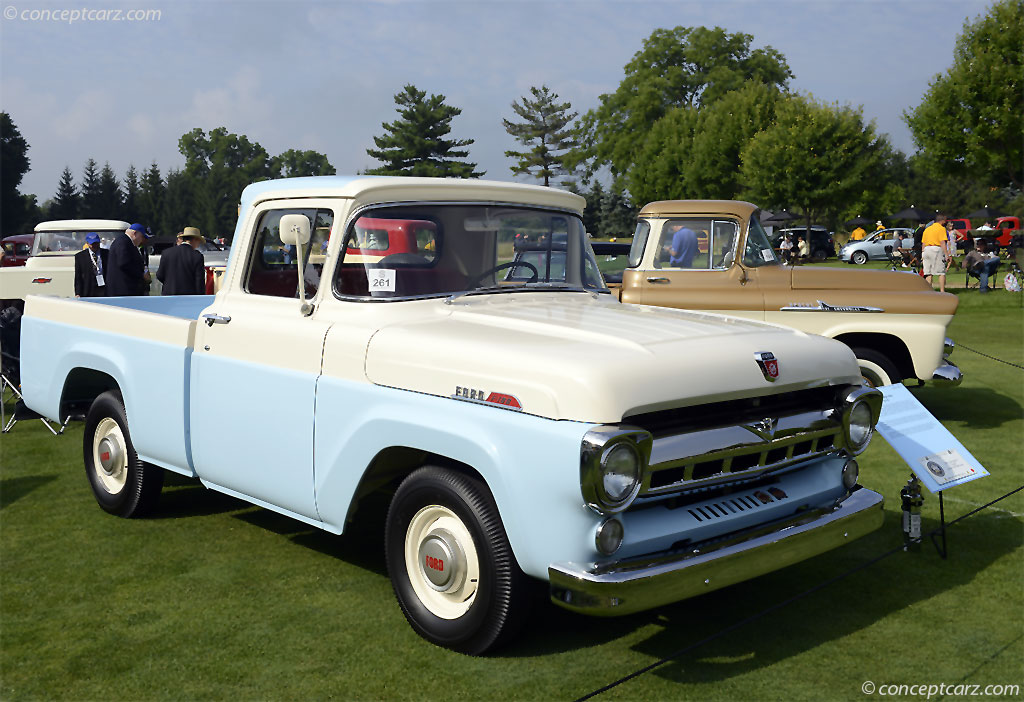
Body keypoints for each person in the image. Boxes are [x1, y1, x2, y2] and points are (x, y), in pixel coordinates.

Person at [157, 227, 206, 295]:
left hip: (168, 296)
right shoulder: (197, 256)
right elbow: (199, 282)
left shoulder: (166, 253)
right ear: (195, 239)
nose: (198, 244)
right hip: (188, 298)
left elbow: (159, 275)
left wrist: (170, 283)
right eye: (199, 241)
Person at [106, 223, 152, 296]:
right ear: (135, 233)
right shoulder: (123, 242)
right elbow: (123, 263)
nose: (141, 240)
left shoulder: (125, 242)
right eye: (141, 236)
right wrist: (142, 274)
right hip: (122, 289)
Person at [920, 215, 950, 292]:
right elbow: (942, 242)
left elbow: (923, 243)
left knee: (928, 273)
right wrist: (947, 255)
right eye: (945, 220)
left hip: (926, 250)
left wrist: (922, 253)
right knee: (941, 272)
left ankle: (928, 291)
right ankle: (942, 291)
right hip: (936, 249)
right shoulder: (941, 228)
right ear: (942, 220)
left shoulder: (927, 229)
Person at [73, 232, 108, 297]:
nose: (94, 245)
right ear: (87, 244)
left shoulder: (107, 253)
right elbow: (78, 277)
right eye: (92, 244)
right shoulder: (80, 257)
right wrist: (78, 293)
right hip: (88, 289)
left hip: (105, 288)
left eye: (96, 243)